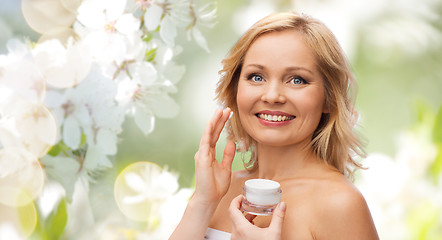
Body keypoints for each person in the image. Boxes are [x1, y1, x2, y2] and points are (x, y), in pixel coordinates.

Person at [169, 12, 379, 239]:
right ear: (236, 88)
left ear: (328, 99)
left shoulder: (339, 203)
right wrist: (202, 202)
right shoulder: (220, 190)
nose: (272, 96)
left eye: (297, 80)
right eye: (257, 77)